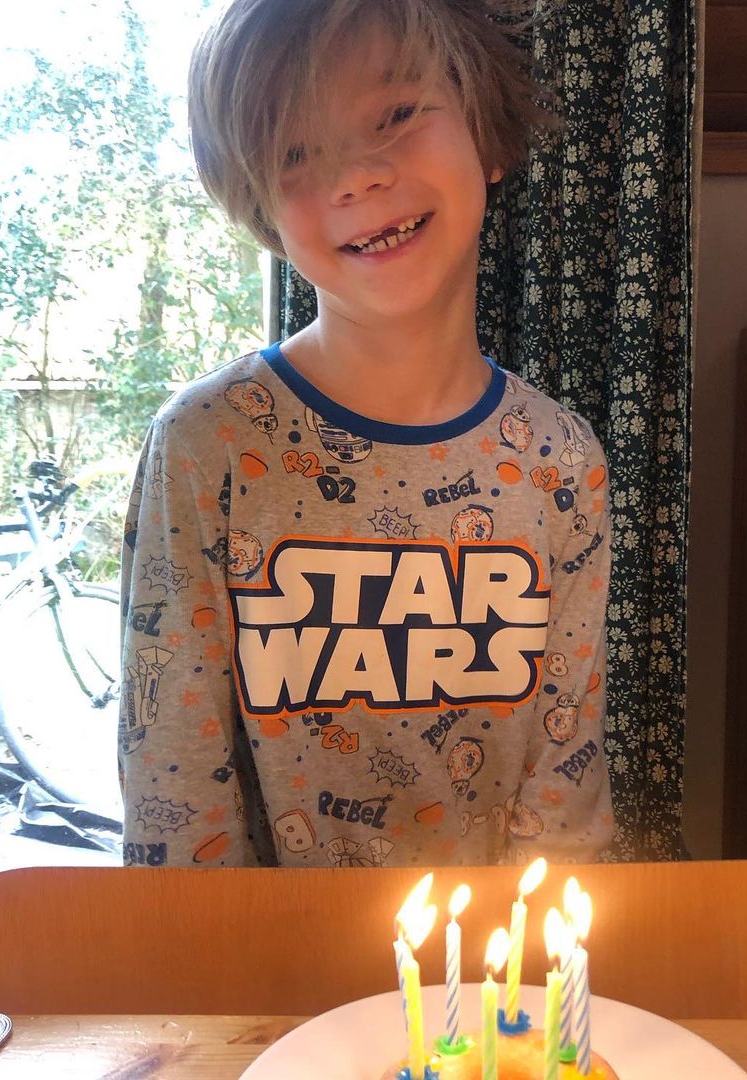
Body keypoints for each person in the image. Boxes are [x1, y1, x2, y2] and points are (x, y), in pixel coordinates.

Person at [118, 0, 613, 869]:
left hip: (488, 955)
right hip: (261, 953)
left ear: (487, 136)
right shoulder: (206, 444)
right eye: (295, 154)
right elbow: (176, 781)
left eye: (395, 116)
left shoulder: (562, 461)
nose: (354, 178)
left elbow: (565, 783)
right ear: (262, 208)